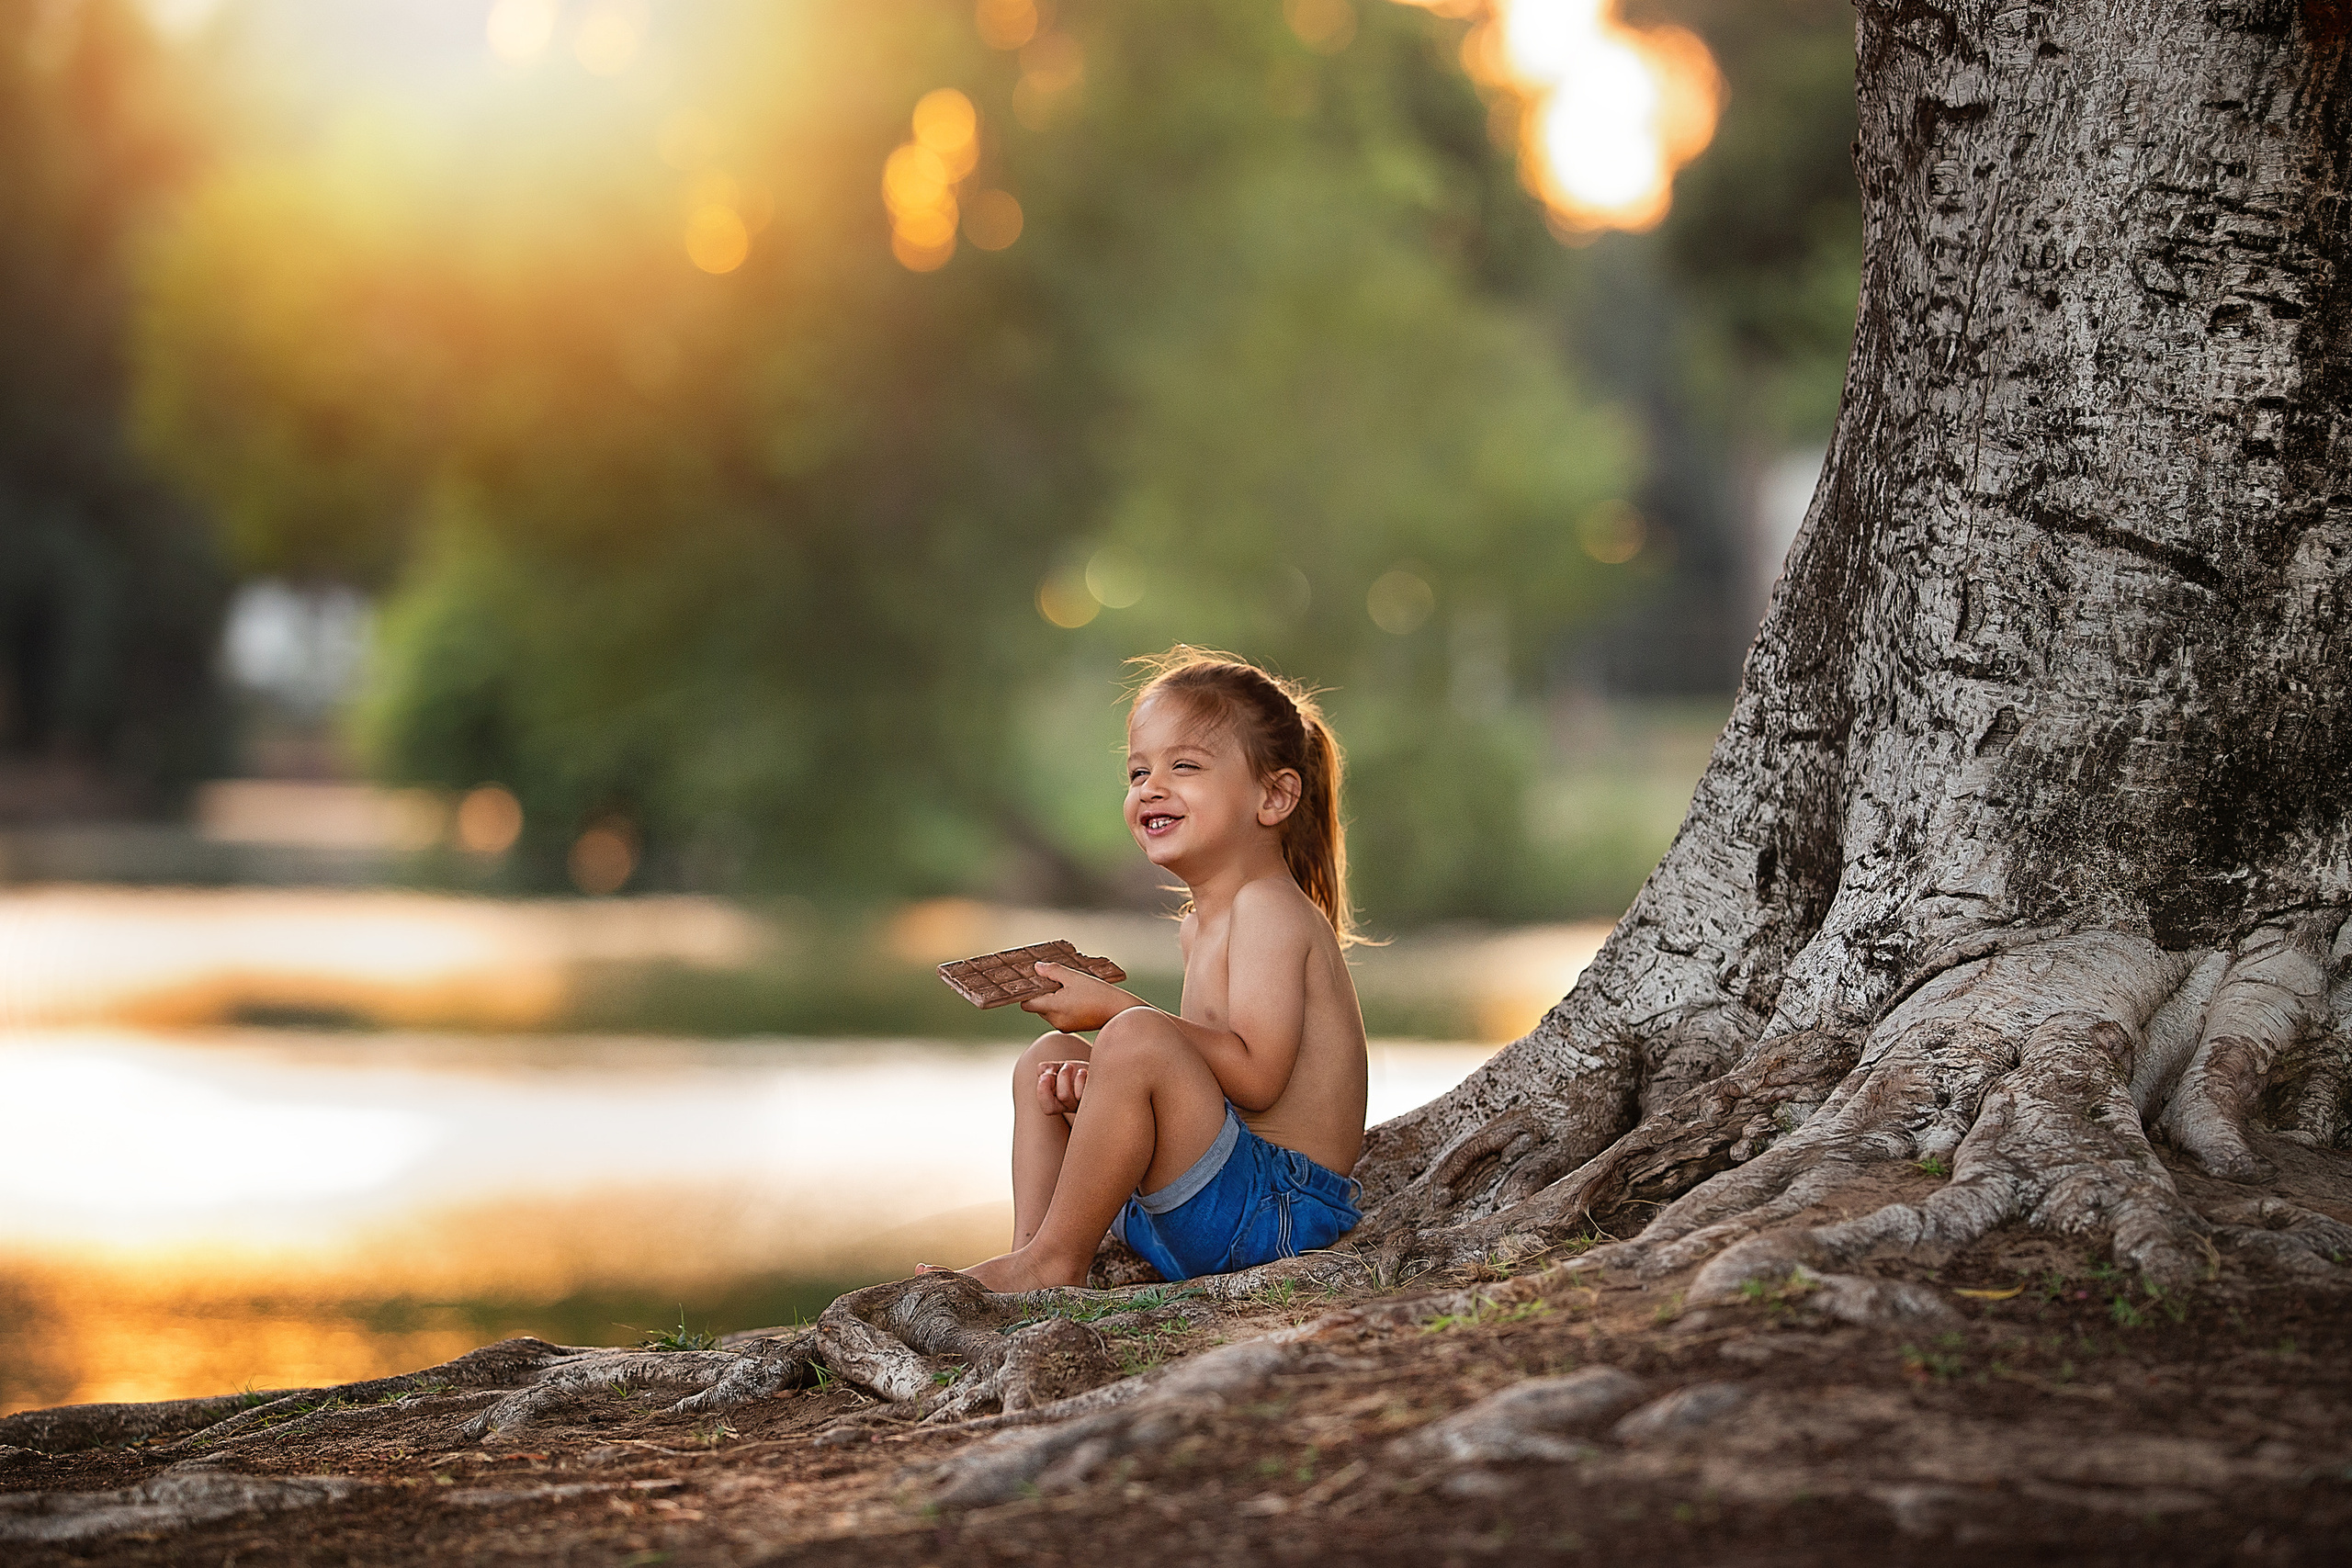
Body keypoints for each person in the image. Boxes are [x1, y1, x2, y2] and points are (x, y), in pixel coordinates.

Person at [947, 648, 1370, 1291]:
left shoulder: (1270, 910)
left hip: (1278, 1212)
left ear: (1275, 795)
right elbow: (1206, 1083)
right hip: (1209, 1201)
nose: (1151, 787)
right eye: (1138, 770)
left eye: (1186, 766)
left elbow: (1255, 1078)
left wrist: (1117, 1014)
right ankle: (1032, 1253)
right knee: (1048, 1056)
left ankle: (1049, 1261)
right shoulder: (1199, 925)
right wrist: (1107, 1096)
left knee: (1135, 1037)